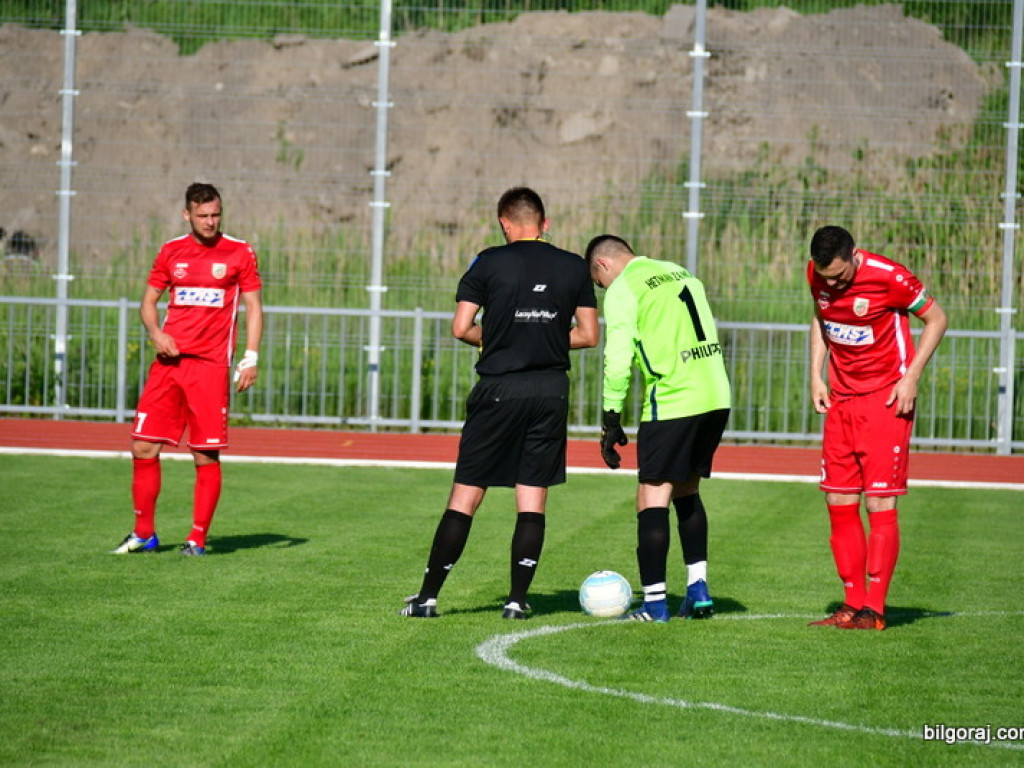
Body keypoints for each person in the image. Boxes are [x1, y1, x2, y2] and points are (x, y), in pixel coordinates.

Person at [400, 187, 599, 619]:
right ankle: (516, 601)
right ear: (544, 224)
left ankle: (427, 599)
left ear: (504, 224)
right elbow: (588, 335)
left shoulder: (488, 261)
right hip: (550, 390)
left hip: (499, 389)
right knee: (532, 499)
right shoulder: (573, 266)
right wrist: (543, 338)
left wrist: (501, 339)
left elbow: (460, 327)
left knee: (467, 495)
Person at [807, 225, 947, 630]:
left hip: (885, 401)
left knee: (879, 503)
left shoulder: (890, 277)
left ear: (855, 255)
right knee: (838, 499)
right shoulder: (817, 274)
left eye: (840, 276)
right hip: (841, 400)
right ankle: (851, 604)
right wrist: (815, 375)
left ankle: (874, 609)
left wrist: (911, 377)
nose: (834, 284)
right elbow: (820, 317)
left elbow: (937, 319)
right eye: (827, 278)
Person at [112, 182, 263, 556]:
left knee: (204, 453)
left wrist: (250, 358)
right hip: (168, 365)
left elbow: (254, 307)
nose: (210, 222)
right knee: (143, 445)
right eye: (203, 215)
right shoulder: (171, 251)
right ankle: (144, 534)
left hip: (209, 367)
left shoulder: (239, 252)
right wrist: (156, 334)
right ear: (187, 214)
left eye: (216, 215)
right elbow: (148, 303)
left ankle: (196, 539)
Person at [586, 235, 731, 623]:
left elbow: (617, 360)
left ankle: (654, 605)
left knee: (651, 496)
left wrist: (610, 418)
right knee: (687, 490)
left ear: (603, 265)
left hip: (674, 399)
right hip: (716, 395)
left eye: (600, 284)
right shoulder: (678, 272)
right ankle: (698, 589)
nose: (604, 290)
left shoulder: (624, 288)